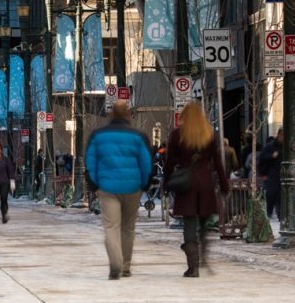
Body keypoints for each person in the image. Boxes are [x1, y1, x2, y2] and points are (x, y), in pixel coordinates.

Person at [84, 101, 153, 280]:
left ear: (111, 114)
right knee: (128, 228)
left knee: (111, 227)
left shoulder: (98, 136)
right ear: (128, 114)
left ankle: (115, 263)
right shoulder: (138, 136)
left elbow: (90, 162)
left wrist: (94, 183)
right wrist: (145, 183)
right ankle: (126, 266)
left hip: (108, 187)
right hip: (132, 187)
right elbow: (146, 162)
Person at [165, 101, 229, 278]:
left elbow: (169, 163)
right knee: (204, 223)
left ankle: (193, 266)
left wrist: (166, 183)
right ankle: (202, 257)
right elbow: (217, 163)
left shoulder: (178, 135)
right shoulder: (209, 134)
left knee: (189, 223)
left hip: (187, 183)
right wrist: (224, 185)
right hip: (205, 182)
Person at [259, 129, 284, 219]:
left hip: (282, 173)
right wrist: (272, 156)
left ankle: (280, 214)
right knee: (272, 193)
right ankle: (269, 211)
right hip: (272, 173)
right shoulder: (270, 146)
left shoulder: (285, 146)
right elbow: (262, 157)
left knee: (280, 195)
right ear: (279, 135)